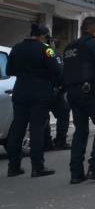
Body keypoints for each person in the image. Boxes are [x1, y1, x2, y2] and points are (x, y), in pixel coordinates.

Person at [6, 24, 62, 177]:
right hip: (39, 93)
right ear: (44, 36)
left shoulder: (16, 48)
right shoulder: (46, 49)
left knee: (18, 129)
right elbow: (57, 70)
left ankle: (13, 167)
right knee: (37, 129)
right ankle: (38, 167)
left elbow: (9, 71)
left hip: (20, 91)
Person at [65, 17, 95, 184]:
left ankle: (76, 173)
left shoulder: (69, 47)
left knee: (80, 131)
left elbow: (64, 71)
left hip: (73, 94)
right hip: (91, 94)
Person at [43, 36, 70, 151]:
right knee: (64, 114)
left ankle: (46, 142)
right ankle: (60, 141)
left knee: (43, 118)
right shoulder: (52, 54)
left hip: (40, 92)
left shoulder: (33, 52)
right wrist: (61, 89)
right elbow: (61, 73)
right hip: (54, 92)